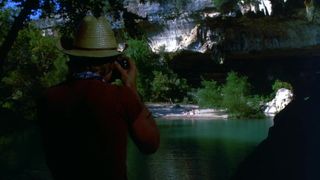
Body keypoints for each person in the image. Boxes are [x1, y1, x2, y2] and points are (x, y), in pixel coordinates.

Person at [37, 15, 160, 180]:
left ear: (73, 58)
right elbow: (150, 144)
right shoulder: (121, 96)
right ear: (110, 63)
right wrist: (131, 88)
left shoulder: (48, 98)